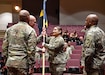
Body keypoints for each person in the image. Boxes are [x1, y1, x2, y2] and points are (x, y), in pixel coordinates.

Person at [2, 10, 37, 75]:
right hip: (22, 64)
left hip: (10, 62)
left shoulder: (9, 29)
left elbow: (4, 47)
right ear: (28, 18)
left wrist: (6, 60)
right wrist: (31, 65)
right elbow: (31, 50)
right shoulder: (30, 30)